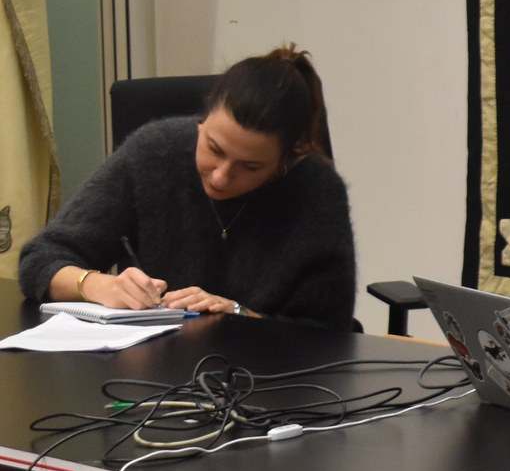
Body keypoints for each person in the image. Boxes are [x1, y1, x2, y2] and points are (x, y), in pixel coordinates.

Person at [20, 45, 357, 327]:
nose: (221, 176)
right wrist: (96, 285)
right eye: (214, 149)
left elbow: (330, 334)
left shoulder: (317, 193)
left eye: (250, 167)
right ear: (201, 122)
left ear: (287, 160)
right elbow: (40, 259)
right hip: (150, 369)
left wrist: (238, 315)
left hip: (266, 374)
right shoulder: (155, 152)